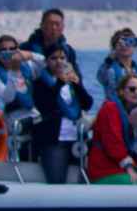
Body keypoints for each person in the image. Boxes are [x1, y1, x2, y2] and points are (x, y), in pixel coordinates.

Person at [30, 45, 94, 185]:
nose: (59, 61)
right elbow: (46, 106)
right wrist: (60, 82)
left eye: (62, 58)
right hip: (54, 141)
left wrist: (77, 85)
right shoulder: (40, 83)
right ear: (46, 62)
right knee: (56, 180)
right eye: (54, 58)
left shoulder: (71, 83)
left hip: (76, 138)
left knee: (85, 178)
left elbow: (87, 104)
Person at [88, 72, 137, 184]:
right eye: (132, 89)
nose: (136, 92)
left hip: (119, 167)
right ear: (121, 91)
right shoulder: (110, 108)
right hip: (104, 169)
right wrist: (129, 167)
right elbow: (113, 143)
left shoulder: (131, 113)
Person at [97, 27, 137, 104]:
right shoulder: (109, 68)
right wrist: (109, 60)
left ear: (135, 47)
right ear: (114, 47)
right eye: (120, 43)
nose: (124, 46)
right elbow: (101, 77)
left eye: (129, 42)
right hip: (115, 109)